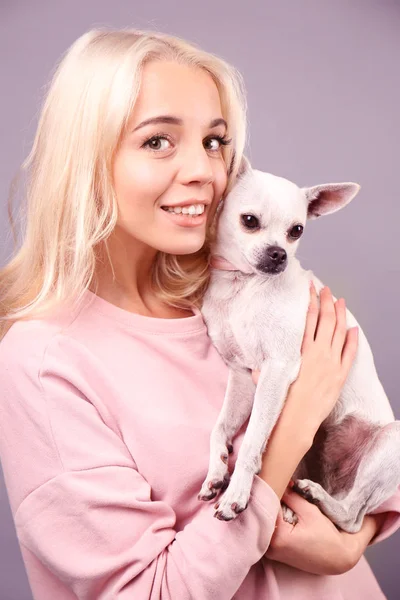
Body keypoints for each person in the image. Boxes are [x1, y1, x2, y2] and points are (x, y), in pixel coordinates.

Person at [0, 28, 399, 600]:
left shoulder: (229, 292)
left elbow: (372, 470)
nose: (205, 174)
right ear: (84, 159)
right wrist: (296, 420)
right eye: (158, 141)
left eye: (215, 143)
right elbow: (152, 590)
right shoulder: (44, 361)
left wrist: (348, 542)